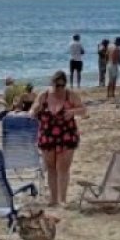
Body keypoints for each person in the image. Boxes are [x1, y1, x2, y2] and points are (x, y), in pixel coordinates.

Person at [33, 71, 86, 207]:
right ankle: (53, 199)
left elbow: (83, 110)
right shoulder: (44, 95)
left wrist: (73, 112)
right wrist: (36, 110)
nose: (60, 89)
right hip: (47, 135)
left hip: (66, 134)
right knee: (51, 168)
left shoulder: (70, 95)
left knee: (63, 168)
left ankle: (63, 199)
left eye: (62, 85)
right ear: (52, 84)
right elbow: (32, 113)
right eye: (57, 86)